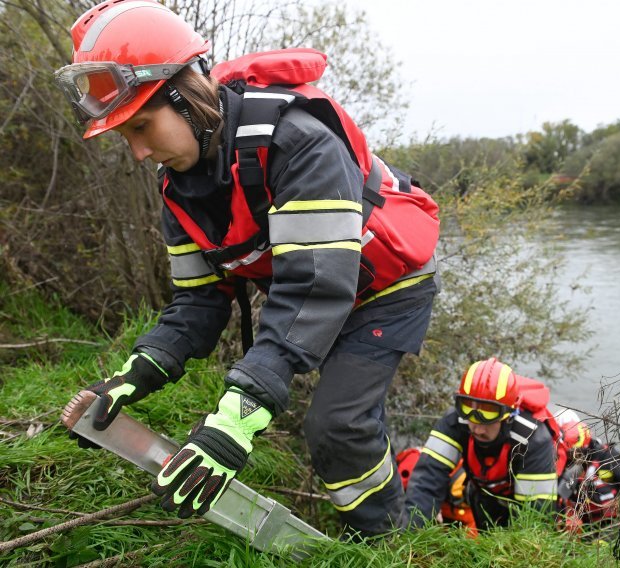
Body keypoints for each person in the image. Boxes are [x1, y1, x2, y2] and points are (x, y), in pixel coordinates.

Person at [54, 0, 439, 538]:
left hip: (386, 289)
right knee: (339, 420)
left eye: (143, 126)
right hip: (319, 290)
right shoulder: (179, 188)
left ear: (185, 96)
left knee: (336, 424)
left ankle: (388, 540)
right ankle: (377, 527)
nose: (139, 152)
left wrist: (238, 419)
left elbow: (311, 288)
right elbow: (197, 303)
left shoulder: (299, 144)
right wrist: (133, 378)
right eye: (125, 138)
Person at [405, 358, 559, 530]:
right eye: (468, 409)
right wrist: (409, 537)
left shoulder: (532, 439)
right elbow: (426, 481)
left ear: (509, 412)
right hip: (484, 495)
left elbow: (536, 518)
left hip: (528, 498)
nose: (477, 429)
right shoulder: (455, 421)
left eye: (488, 413)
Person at [557, 420, 620, 533]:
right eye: (568, 454)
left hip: (615, 524)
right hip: (589, 526)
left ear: (584, 447)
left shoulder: (609, 458)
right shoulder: (573, 470)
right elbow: (561, 494)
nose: (571, 458)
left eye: (574, 453)